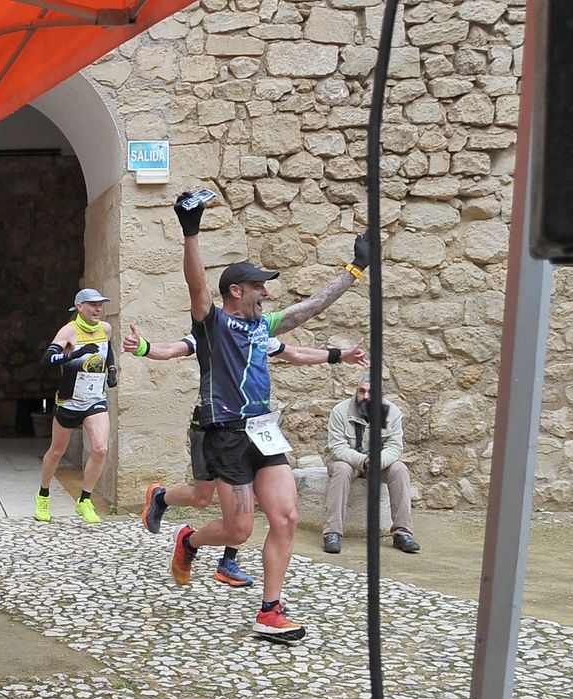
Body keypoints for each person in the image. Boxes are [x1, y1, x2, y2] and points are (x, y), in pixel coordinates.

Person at [152, 189, 371, 640]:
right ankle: (189, 541)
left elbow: (307, 311)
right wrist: (190, 231)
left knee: (286, 517)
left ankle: (270, 611)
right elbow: (196, 285)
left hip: (264, 431)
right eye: (259, 286)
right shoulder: (212, 323)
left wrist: (355, 271)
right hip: (224, 432)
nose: (266, 292)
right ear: (236, 291)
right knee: (240, 527)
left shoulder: (262, 326)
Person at [122, 326, 256, 588]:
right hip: (210, 428)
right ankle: (160, 499)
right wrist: (143, 347)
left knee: (247, 495)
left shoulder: (259, 330)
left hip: (249, 429)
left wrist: (337, 354)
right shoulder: (211, 329)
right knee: (202, 497)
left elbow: (294, 352)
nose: (263, 294)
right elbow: (173, 348)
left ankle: (228, 560)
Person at [37, 288, 116, 524]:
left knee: (100, 448)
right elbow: (46, 360)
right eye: (92, 305)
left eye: (100, 305)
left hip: (95, 399)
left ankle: (85, 500)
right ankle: (43, 494)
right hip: (70, 400)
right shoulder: (69, 331)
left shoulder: (106, 329)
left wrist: (111, 370)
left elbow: (107, 351)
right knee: (57, 451)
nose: (98, 309)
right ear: (80, 307)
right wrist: (74, 354)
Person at [323, 377, 420, 554]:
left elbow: (395, 447)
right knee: (342, 469)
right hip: (347, 461)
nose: (365, 396)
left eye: (371, 392)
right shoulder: (340, 411)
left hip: (378, 463)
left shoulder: (392, 413)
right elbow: (337, 447)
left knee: (400, 469)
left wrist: (377, 460)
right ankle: (332, 532)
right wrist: (362, 460)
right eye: (361, 391)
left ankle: (402, 533)